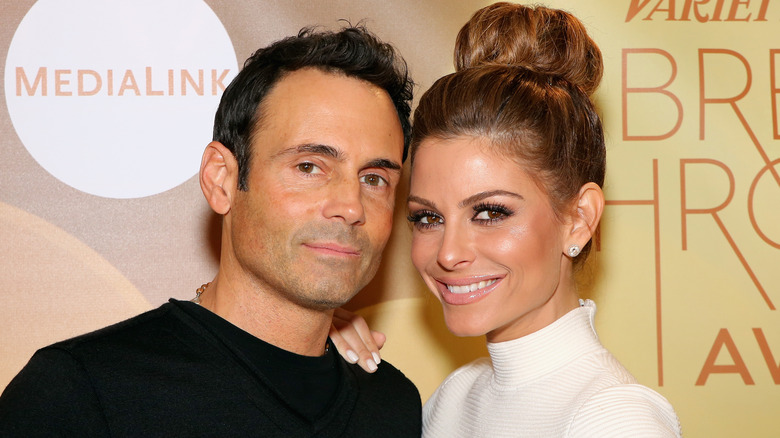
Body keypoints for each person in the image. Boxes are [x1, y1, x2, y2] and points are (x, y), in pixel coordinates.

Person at [0, 26, 422, 437]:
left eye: (374, 178)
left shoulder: (393, 404)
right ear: (222, 181)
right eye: (309, 167)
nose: (350, 207)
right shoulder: (79, 391)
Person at [331, 3, 682, 437]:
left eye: (490, 213)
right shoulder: (454, 397)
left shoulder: (614, 418)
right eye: (427, 218)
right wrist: (309, 351)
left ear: (579, 218)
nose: (449, 253)